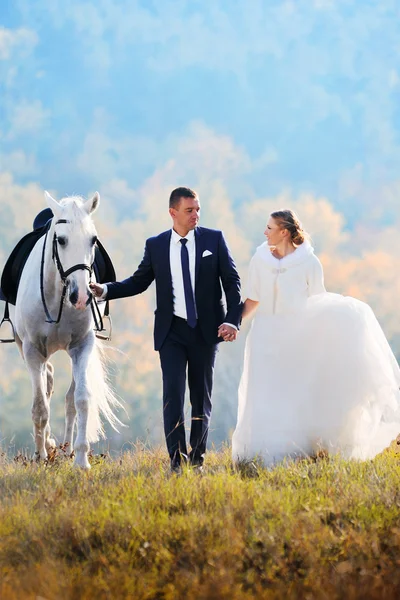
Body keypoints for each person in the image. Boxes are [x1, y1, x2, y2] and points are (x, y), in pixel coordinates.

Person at [90, 187, 242, 472]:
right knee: (172, 395)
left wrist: (233, 320)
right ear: (173, 213)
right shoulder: (156, 245)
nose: (196, 215)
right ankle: (176, 461)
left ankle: (197, 460)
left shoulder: (214, 239)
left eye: (198, 209)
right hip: (171, 332)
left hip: (206, 332)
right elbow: (138, 282)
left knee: (201, 397)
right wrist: (106, 290)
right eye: (189, 210)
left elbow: (232, 283)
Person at [232, 209, 400, 465]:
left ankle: (297, 451)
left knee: (294, 393)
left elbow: (320, 304)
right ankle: (263, 454)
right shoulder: (259, 260)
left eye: (269, 227)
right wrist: (232, 322)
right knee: (263, 392)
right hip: (264, 336)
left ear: (284, 232)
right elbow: (253, 298)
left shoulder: (310, 263)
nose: (264, 232)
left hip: (297, 338)